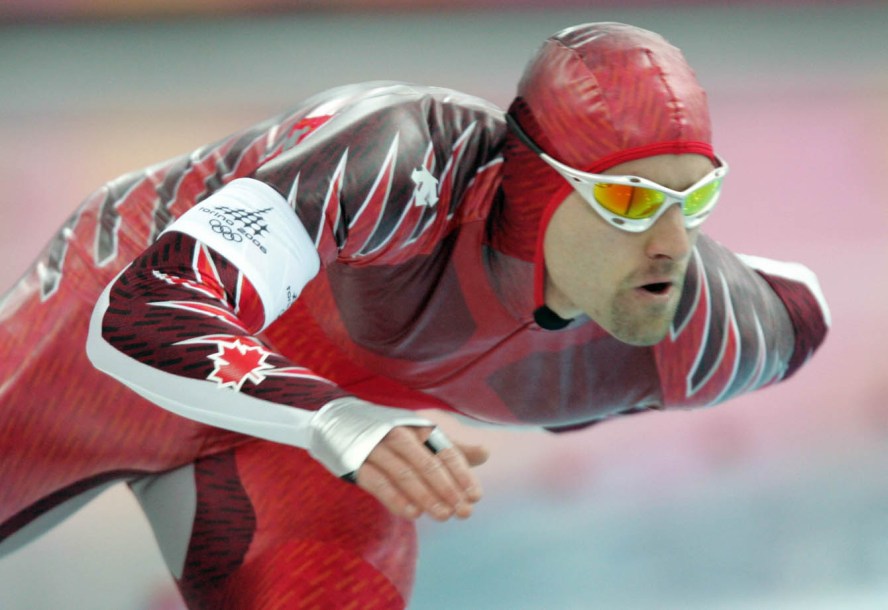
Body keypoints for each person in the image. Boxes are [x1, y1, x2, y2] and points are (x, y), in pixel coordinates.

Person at [0, 21, 828, 609]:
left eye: (697, 198)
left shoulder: (712, 330)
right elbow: (145, 308)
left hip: (302, 448)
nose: (672, 243)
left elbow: (806, 309)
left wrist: (334, 423)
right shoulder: (403, 163)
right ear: (538, 186)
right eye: (630, 199)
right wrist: (335, 417)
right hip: (102, 337)